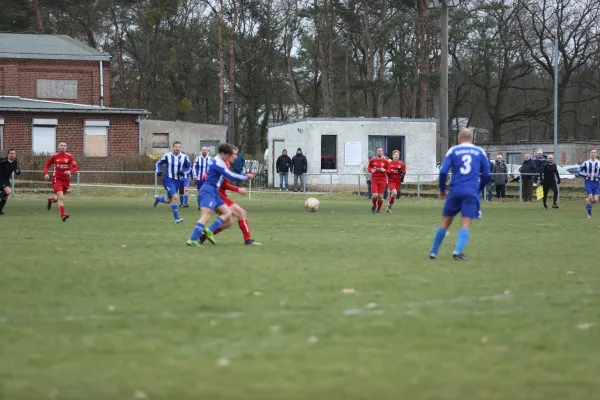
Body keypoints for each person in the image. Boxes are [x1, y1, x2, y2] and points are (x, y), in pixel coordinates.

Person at [429, 128, 490, 260]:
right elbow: (487, 174)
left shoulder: (453, 151)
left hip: (455, 190)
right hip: (471, 190)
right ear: (472, 139)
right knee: (466, 222)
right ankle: (457, 251)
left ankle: (433, 252)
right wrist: (479, 189)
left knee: (445, 221)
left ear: (458, 138)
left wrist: (441, 190)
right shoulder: (479, 151)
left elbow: (443, 172)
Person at [186, 143, 253, 246]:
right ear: (223, 154)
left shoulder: (220, 161)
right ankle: (193, 239)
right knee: (205, 216)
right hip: (209, 190)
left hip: (214, 192)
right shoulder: (218, 163)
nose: (233, 156)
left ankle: (209, 231)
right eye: (231, 154)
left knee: (227, 214)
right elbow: (229, 175)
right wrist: (245, 177)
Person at [198, 154, 260, 246]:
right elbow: (224, 184)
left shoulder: (221, 163)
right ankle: (248, 240)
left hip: (218, 195)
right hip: (218, 195)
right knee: (241, 213)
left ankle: (205, 235)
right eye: (234, 154)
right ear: (228, 154)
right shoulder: (222, 164)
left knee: (228, 223)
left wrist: (245, 176)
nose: (236, 157)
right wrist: (238, 189)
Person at [153, 141, 190, 224]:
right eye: (176, 147)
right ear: (173, 147)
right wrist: (158, 171)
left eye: (179, 147)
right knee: (175, 197)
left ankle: (158, 199)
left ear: (181, 148)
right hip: (168, 179)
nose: (177, 148)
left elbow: (189, 167)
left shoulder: (184, 157)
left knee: (168, 200)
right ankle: (176, 219)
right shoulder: (167, 155)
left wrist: (183, 172)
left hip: (178, 181)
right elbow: (158, 163)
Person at [44, 142, 78, 222]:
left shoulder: (69, 156)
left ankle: (51, 200)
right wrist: (46, 174)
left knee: (57, 198)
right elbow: (47, 165)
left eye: (65, 146)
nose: (63, 147)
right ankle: (63, 215)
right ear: (58, 147)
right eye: (61, 145)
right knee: (61, 198)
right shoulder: (54, 156)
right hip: (57, 179)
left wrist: (70, 171)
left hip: (66, 180)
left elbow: (75, 167)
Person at [578, 149, 600, 218]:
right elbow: (579, 171)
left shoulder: (599, 163)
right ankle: (589, 214)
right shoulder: (586, 163)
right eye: (592, 152)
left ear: (596, 154)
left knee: (596, 200)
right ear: (590, 154)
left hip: (596, 183)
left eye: (594, 152)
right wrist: (586, 174)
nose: (593, 154)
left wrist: (598, 175)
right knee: (590, 198)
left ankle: (587, 202)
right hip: (588, 183)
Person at [368, 147, 389, 214]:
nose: (379, 152)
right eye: (378, 151)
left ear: (382, 152)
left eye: (380, 151)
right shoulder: (372, 160)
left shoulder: (385, 161)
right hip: (374, 180)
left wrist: (384, 170)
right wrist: (371, 170)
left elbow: (389, 170)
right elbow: (369, 167)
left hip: (382, 180)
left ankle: (378, 210)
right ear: (376, 152)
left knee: (380, 196)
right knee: (375, 195)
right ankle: (374, 206)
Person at [0, 149, 21, 215]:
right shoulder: (3, 160)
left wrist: (18, 172)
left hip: (5, 179)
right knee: (8, 191)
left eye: (14, 153)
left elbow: (17, 171)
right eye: (11, 153)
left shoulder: (15, 162)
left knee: (5, 196)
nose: (13, 155)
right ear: (8, 154)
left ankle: (0, 211)